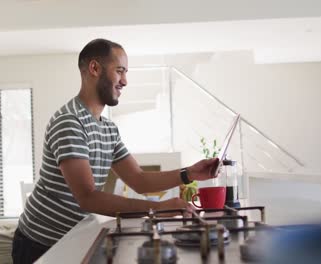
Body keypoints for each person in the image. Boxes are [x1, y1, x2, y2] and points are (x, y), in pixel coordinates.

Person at [11, 38, 219, 264]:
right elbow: (88, 198)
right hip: (40, 244)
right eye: (119, 71)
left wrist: (189, 173)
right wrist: (157, 209)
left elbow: (138, 180)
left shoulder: (108, 128)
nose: (125, 81)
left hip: (74, 237)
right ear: (94, 68)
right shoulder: (69, 122)